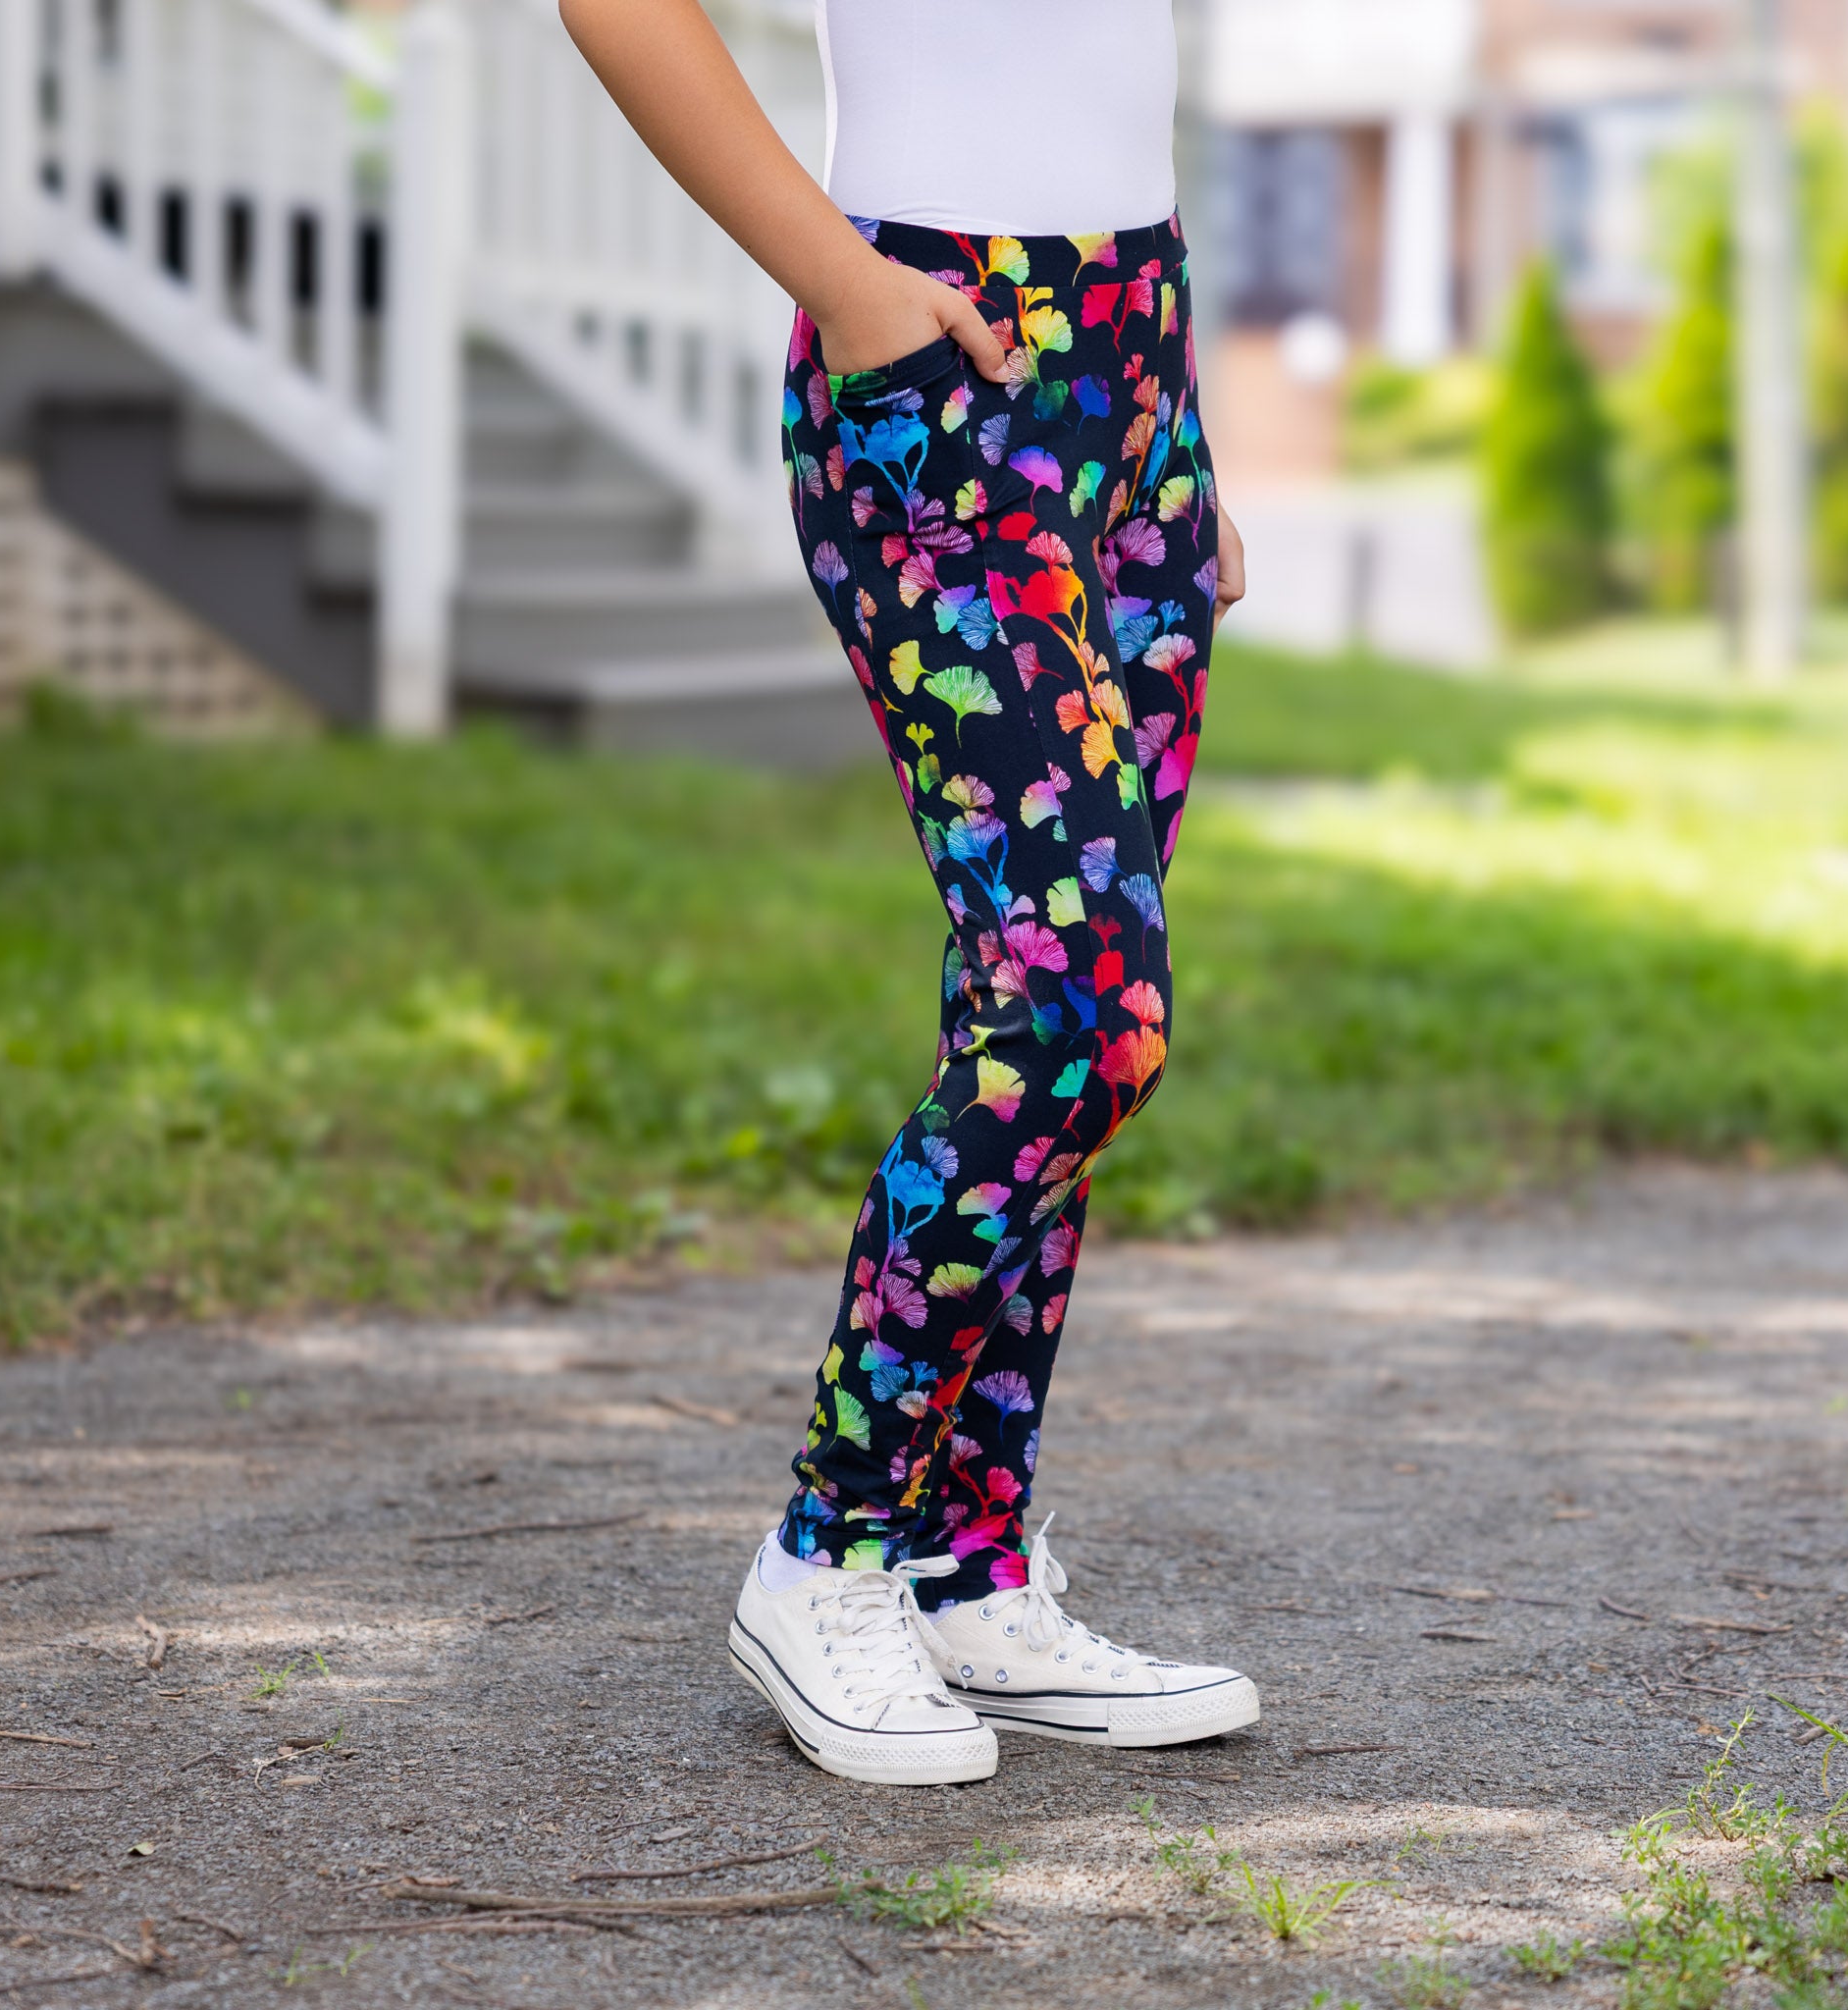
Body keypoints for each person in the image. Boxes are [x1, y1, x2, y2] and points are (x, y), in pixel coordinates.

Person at [562, 0, 1253, 1787]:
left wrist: (1174, 426)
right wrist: (853, 290)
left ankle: (967, 1567)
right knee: (1077, 1022)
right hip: (934, 348)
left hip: (1133, 373)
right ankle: (829, 1552)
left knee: (1031, 1020)